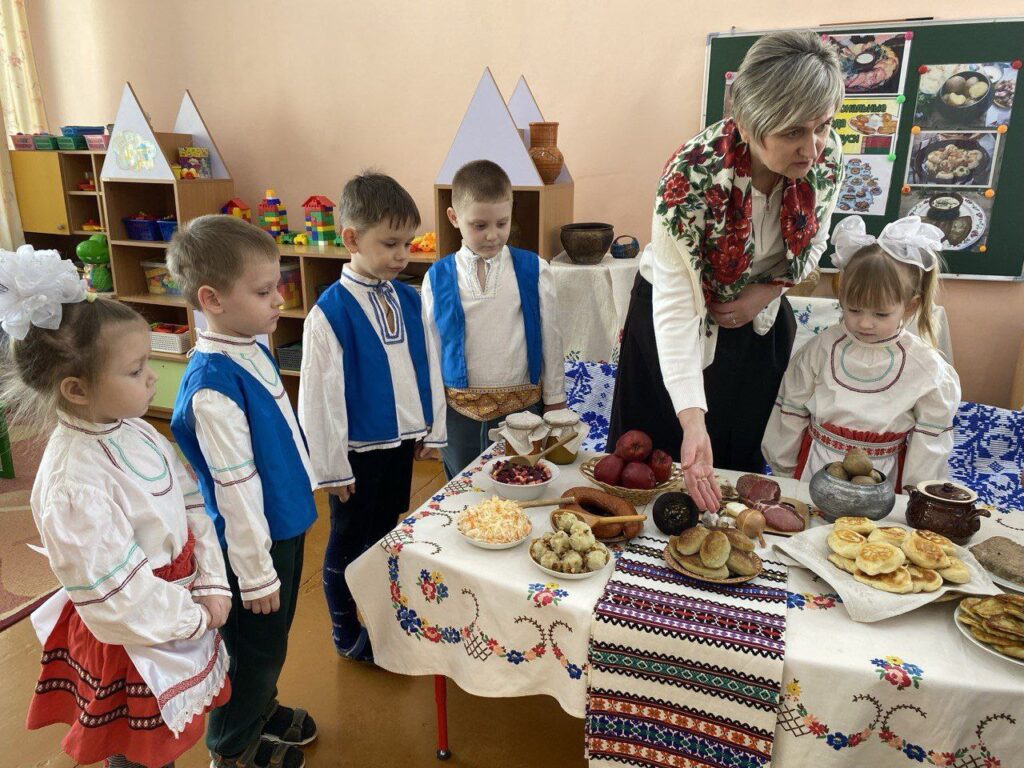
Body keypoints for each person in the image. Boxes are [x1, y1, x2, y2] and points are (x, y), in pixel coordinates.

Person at [1, 246, 231, 768]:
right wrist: (192, 617)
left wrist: (211, 581)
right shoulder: (72, 486)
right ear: (77, 389)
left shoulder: (136, 429)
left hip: (175, 607)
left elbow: (191, 503)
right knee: (140, 752)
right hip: (135, 635)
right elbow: (116, 597)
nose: (152, 379)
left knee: (165, 744)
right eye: (135, 370)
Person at [608, 29, 846, 510]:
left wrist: (764, 293)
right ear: (749, 122)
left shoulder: (827, 158)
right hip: (670, 319)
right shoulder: (689, 177)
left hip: (756, 326)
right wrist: (693, 421)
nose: (814, 148)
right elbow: (676, 306)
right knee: (650, 459)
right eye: (794, 132)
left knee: (737, 457)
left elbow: (813, 245)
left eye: (822, 126)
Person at [168, 216, 317, 768]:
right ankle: (233, 746)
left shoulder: (249, 343)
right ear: (213, 300)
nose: (279, 299)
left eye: (276, 285)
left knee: (271, 642)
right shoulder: (212, 388)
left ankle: (260, 707)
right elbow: (234, 489)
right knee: (251, 650)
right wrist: (254, 574)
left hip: (282, 522)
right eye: (263, 291)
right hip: (252, 542)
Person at [299, 172, 445, 661]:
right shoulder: (330, 312)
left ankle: (384, 617)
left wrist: (432, 428)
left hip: (401, 443)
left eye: (406, 243)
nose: (402, 254)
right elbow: (319, 398)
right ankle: (345, 632)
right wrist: (330, 466)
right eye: (389, 243)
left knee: (387, 531)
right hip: (357, 454)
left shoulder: (409, 297)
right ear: (352, 239)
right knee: (347, 540)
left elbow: (429, 366)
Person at [762, 215, 960, 489]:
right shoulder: (820, 350)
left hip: (883, 481)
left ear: (910, 306)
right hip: (815, 472)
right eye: (853, 309)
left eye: (881, 313)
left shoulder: (926, 368)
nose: (865, 323)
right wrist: (784, 472)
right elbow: (791, 410)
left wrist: (914, 491)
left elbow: (931, 439)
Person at [422, 159, 566, 479]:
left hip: (524, 412)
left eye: (502, 223)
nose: (492, 235)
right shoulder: (437, 278)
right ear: (454, 218)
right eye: (480, 225)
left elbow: (551, 338)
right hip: (459, 415)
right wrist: (432, 417)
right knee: (464, 494)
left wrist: (555, 401)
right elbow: (430, 351)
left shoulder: (534, 269)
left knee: (523, 482)